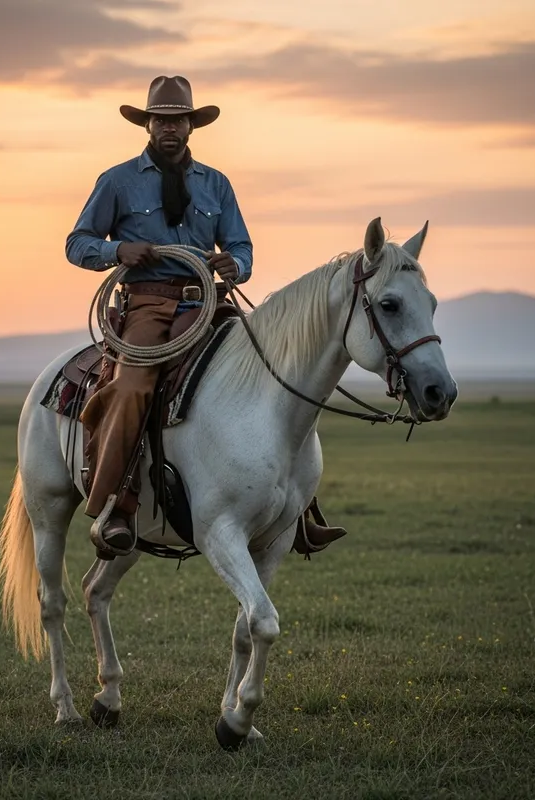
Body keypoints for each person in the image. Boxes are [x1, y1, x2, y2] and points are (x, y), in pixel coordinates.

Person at [66, 75, 346, 558]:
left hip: (208, 302)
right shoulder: (117, 181)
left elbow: (241, 245)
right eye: (160, 119)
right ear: (147, 124)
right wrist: (118, 250)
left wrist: (233, 264)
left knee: (272, 375)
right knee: (133, 387)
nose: (169, 128)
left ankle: (295, 508)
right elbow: (77, 243)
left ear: (191, 126)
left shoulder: (216, 183)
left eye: (178, 120)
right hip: (148, 304)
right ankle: (118, 504)